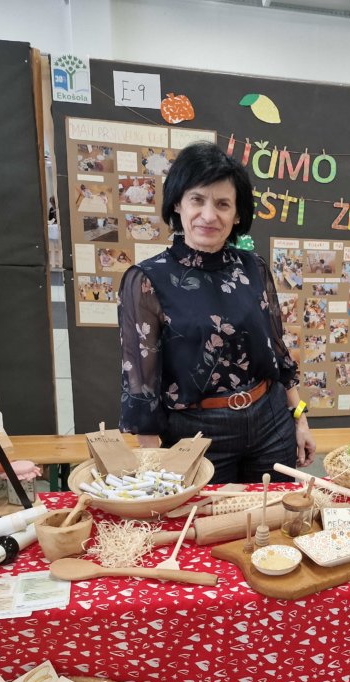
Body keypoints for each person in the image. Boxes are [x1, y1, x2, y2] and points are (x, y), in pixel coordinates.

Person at [118, 142, 315, 482]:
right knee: (208, 518)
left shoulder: (253, 267)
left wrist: (300, 418)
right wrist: (152, 461)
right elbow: (140, 385)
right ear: (177, 203)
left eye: (223, 204)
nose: (209, 216)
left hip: (270, 424)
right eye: (197, 200)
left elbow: (277, 351)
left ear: (237, 214)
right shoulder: (147, 279)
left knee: (275, 511)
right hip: (195, 436)